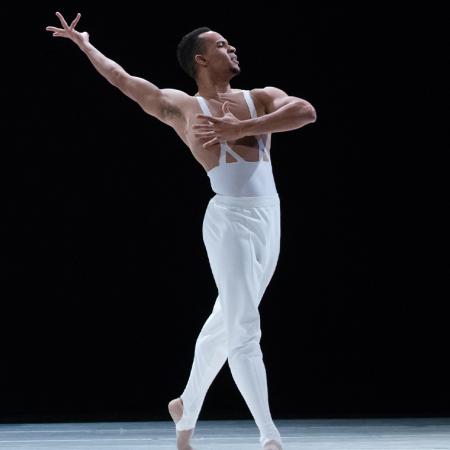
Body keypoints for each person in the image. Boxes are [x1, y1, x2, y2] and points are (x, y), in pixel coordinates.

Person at [46, 11, 317, 450]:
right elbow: (123, 79)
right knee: (245, 324)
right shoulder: (183, 107)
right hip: (228, 219)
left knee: (225, 320)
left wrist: (241, 127)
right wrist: (85, 45)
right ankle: (270, 437)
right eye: (222, 45)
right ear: (200, 59)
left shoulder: (261, 97)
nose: (232, 49)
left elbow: (305, 111)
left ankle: (185, 406)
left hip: (271, 215)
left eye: (231, 44)